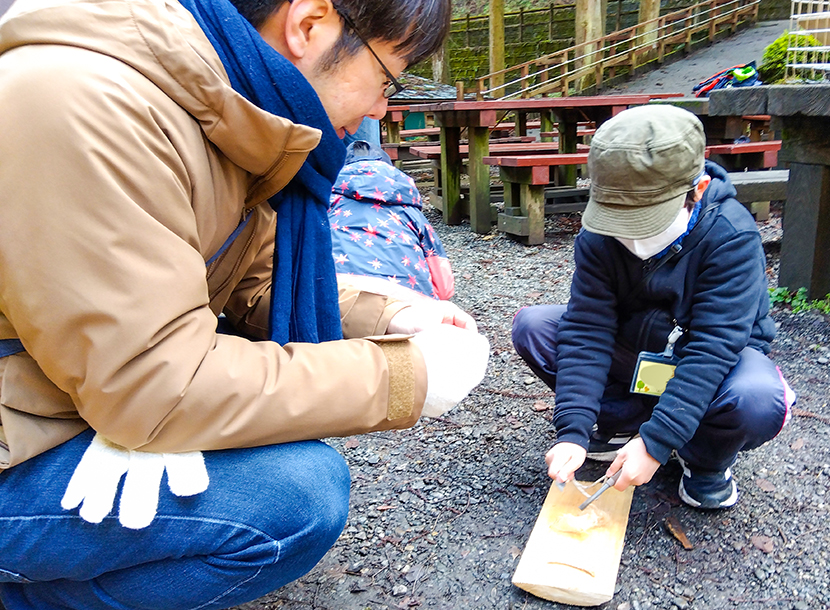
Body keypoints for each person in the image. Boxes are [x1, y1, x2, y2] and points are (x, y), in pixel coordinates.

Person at [0, 0, 490, 608]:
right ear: (309, 24)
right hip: (22, 433)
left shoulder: (220, 108)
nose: (380, 111)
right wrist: (405, 377)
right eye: (388, 78)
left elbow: (256, 278)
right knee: (292, 500)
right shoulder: (86, 100)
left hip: (62, 390)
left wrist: (392, 316)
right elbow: (150, 385)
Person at [512, 105, 796, 510]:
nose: (630, 237)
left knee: (757, 397)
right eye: (619, 220)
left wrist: (658, 441)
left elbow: (713, 348)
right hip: (635, 352)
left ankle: (704, 457)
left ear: (696, 191)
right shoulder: (599, 236)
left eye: (645, 221)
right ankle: (622, 425)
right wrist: (572, 430)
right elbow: (587, 328)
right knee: (536, 326)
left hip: (705, 364)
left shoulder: (730, 235)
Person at [329, 140, 455, 301]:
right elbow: (444, 288)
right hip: (409, 298)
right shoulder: (411, 212)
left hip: (343, 293)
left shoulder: (329, 203)